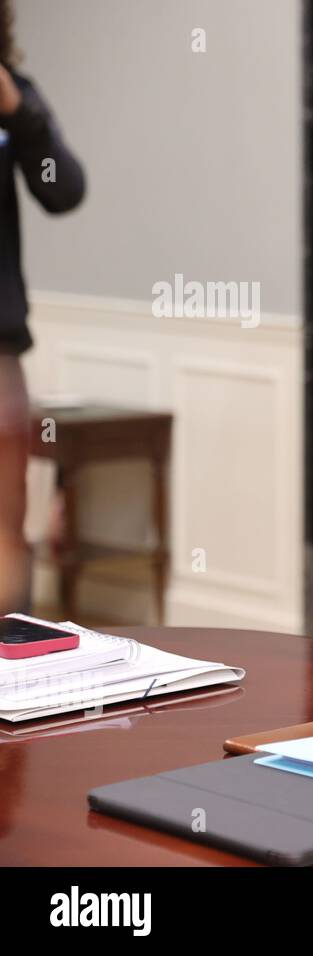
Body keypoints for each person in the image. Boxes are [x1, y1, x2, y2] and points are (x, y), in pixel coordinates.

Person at [0, 6, 86, 615]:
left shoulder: (13, 97)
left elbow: (64, 189)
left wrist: (17, 112)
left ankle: (11, 680)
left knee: (5, 528)